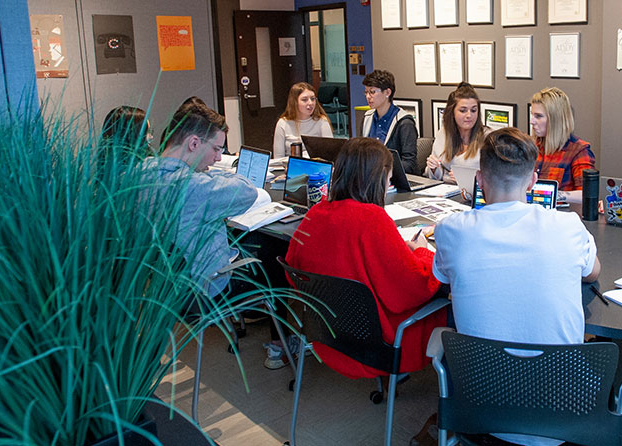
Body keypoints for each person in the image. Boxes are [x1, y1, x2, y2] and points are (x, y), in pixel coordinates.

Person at [432, 128, 600, 446]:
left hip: (480, 408)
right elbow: (593, 274)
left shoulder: (452, 230)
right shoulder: (567, 226)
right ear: (533, 181)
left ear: (479, 180)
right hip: (563, 414)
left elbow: (441, 279)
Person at [283, 137, 445, 379]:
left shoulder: (315, 213)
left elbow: (293, 270)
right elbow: (412, 288)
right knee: (451, 304)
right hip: (378, 345)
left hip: (328, 335)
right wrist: (422, 252)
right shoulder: (372, 220)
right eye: (388, 180)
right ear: (378, 177)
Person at [148, 100, 269, 298]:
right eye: (216, 149)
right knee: (269, 251)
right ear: (194, 143)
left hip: (163, 289)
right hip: (207, 287)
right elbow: (248, 190)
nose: (219, 158)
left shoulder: (140, 173)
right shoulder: (195, 186)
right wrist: (209, 175)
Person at [528, 87, 595, 204]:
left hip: (559, 217)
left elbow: (587, 194)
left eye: (538, 116)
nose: (532, 121)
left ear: (555, 119)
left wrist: (551, 194)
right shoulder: (530, 146)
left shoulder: (579, 150)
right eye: (532, 115)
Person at [424, 83, 489, 183]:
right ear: (452, 112)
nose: (469, 115)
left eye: (473, 110)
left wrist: (468, 180)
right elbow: (436, 175)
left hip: (474, 195)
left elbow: (496, 178)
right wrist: (433, 168)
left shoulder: (488, 138)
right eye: (463, 111)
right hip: (444, 192)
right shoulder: (443, 133)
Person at [360, 69, 418, 174]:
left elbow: (409, 164)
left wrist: (381, 169)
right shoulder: (367, 118)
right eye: (366, 92)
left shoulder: (404, 122)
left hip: (395, 179)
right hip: (371, 178)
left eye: (372, 92)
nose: (368, 97)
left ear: (387, 92)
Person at [272, 82, 333, 158]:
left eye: (313, 99)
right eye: (304, 100)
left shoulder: (322, 121)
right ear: (294, 102)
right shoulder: (283, 123)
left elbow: (330, 154)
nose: (310, 103)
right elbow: (278, 157)